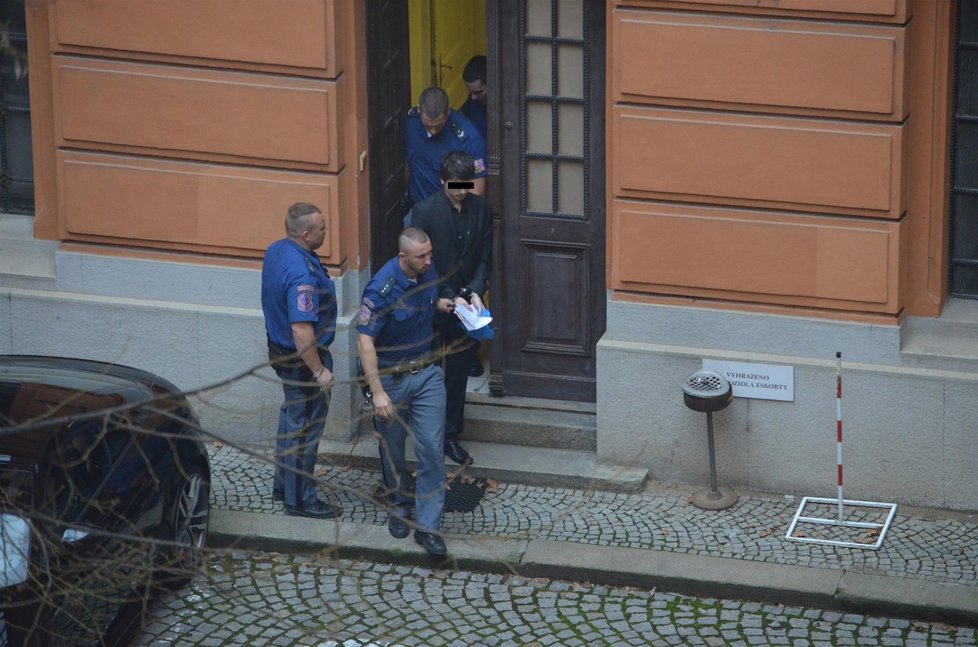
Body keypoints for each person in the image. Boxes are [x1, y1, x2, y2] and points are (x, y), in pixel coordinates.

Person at [357, 227, 456, 556]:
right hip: (391, 380)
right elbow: (365, 341)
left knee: (430, 448)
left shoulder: (427, 269)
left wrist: (442, 304)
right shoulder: (382, 289)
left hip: (427, 373)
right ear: (403, 258)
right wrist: (377, 391)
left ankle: (428, 527)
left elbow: (424, 302)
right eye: (421, 256)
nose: (429, 260)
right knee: (394, 451)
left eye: (430, 254)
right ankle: (398, 504)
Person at [411, 151, 492, 466]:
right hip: (435, 304)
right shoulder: (425, 211)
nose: (461, 192)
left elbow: (485, 252)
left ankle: (449, 435)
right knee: (428, 373)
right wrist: (446, 295)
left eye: (466, 185)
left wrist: (474, 288)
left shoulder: (481, 209)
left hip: (467, 305)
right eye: (455, 186)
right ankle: (425, 434)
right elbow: (422, 266)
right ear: (442, 181)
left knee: (457, 373)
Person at [261, 202, 340, 519]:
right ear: (306, 234)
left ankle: (284, 486)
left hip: (281, 354)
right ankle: (301, 500)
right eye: (322, 228)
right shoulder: (301, 276)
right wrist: (319, 370)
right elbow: (301, 329)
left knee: (290, 422)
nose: (326, 231)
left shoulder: (277, 250)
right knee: (304, 431)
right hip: (302, 361)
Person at [405, 86, 487, 208]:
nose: (433, 131)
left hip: (452, 212)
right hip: (417, 206)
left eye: (438, 125)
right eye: (428, 125)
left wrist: (449, 186)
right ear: (419, 111)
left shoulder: (470, 139)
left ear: (448, 111)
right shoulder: (410, 123)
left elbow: (477, 188)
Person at [459, 55, 487, 140]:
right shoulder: (473, 100)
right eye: (469, 91)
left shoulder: (508, 105)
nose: (473, 97)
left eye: (478, 92)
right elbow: (459, 118)